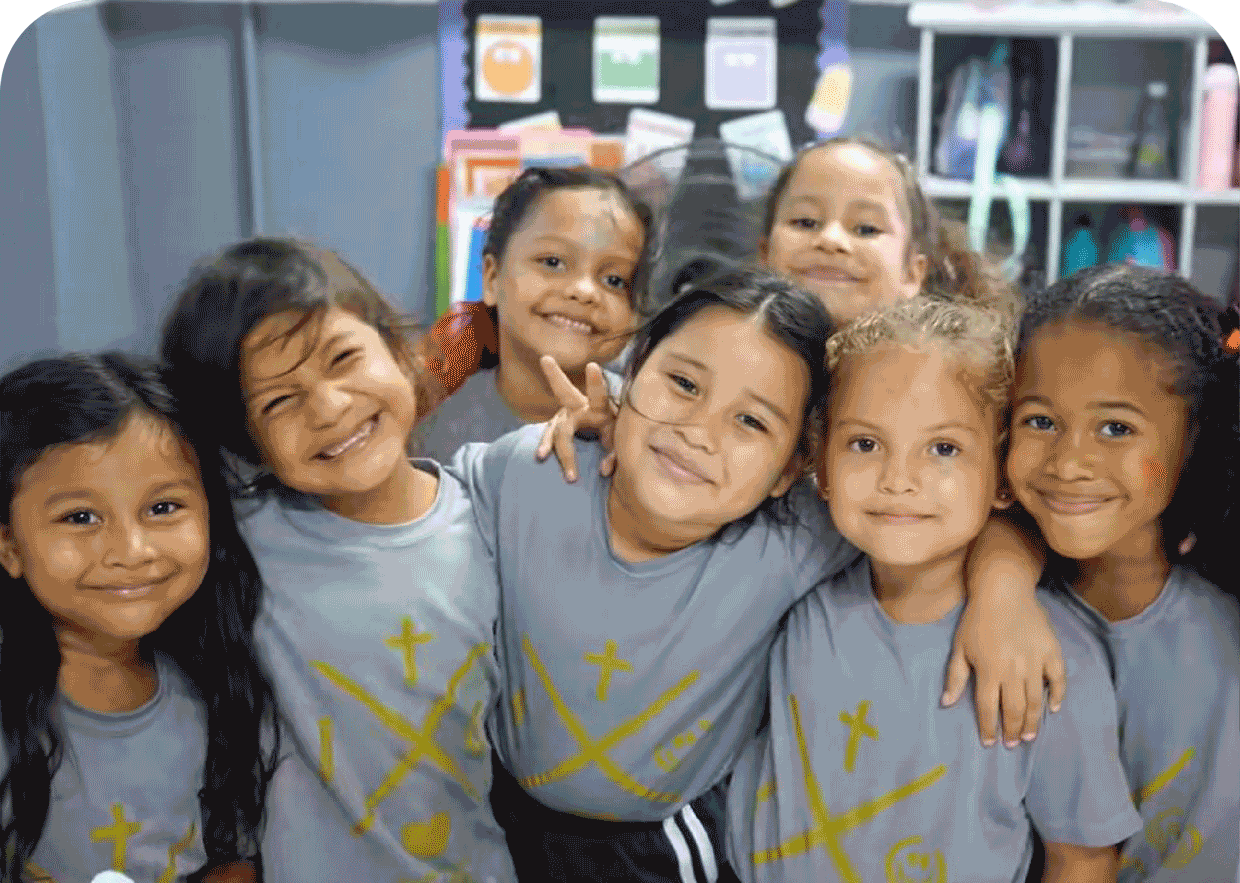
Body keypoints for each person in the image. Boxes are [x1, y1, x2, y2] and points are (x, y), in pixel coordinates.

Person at [448, 269, 1059, 882]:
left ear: (793, 469)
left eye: (751, 422)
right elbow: (408, 503)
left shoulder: (797, 536)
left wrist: (1003, 590)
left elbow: (972, 508)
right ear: (630, 378)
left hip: (660, 851)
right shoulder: (529, 469)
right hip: (494, 822)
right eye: (682, 385)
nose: (698, 432)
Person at [726, 296, 1141, 882]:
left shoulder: (1048, 657)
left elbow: (1081, 858)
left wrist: (1005, 592)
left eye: (943, 449)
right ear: (819, 461)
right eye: (865, 444)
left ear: (1002, 476)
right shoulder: (795, 590)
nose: (899, 481)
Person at [160, 238, 516, 883]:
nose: (328, 407)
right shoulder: (239, 542)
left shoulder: (495, 518)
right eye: (278, 401)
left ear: (400, 351)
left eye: (344, 358)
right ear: (249, 439)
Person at [0, 353, 278, 883]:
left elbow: (232, 861)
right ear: (9, 545)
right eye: (80, 517)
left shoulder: (224, 692)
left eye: (163, 508)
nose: (131, 550)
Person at [1006, 264, 1240, 882]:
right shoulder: (997, 600)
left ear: (1192, 439)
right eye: (1039, 419)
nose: (1069, 461)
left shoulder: (1225, 630)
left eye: (1116, 428)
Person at [418, 166, 652, 462]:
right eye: (553, 262)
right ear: (492, 278)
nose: (584, 291)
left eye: (615, 280)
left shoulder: (651, 425)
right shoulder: (440, 440)